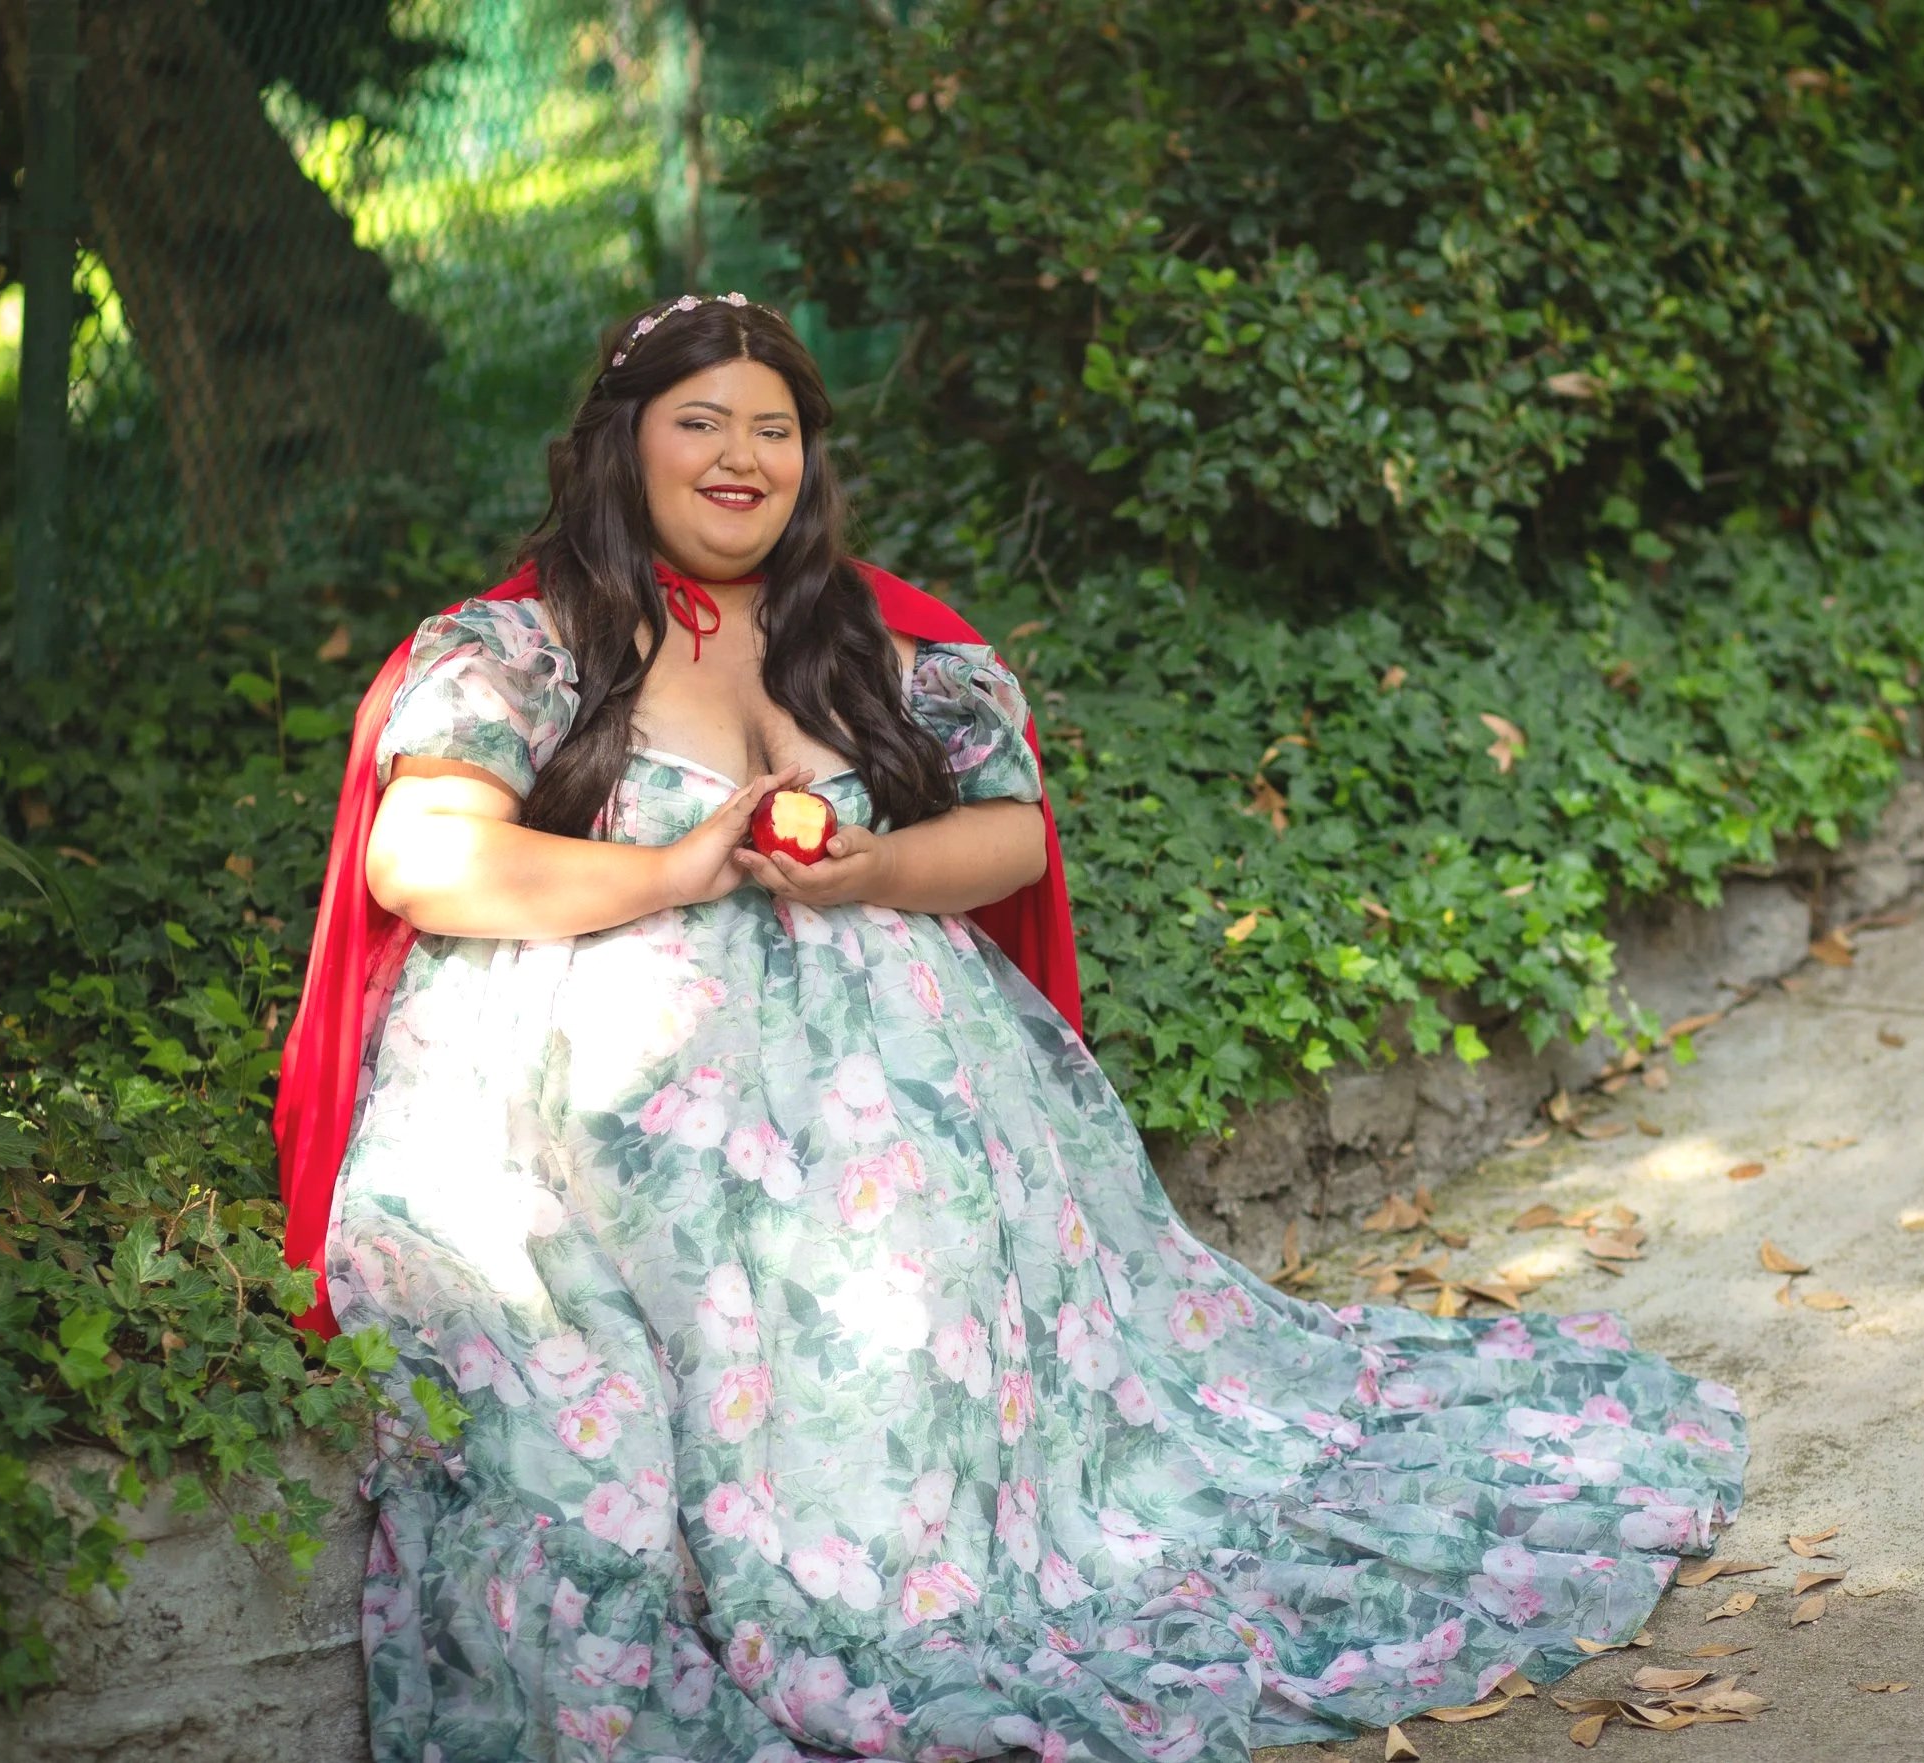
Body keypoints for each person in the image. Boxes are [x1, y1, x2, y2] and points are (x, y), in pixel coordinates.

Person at [276, 292, 1746, 1763]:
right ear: (624, 444)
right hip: (591, 1121)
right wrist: (681, 867)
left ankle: (932, 1543)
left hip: (873, 1143)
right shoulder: (527, 645)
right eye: (701, 422)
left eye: (773, 429)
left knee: (917, 1271)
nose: (741, 457)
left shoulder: (860, 637)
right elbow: (426, 862)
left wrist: (875, 868)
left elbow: (1010, 839)